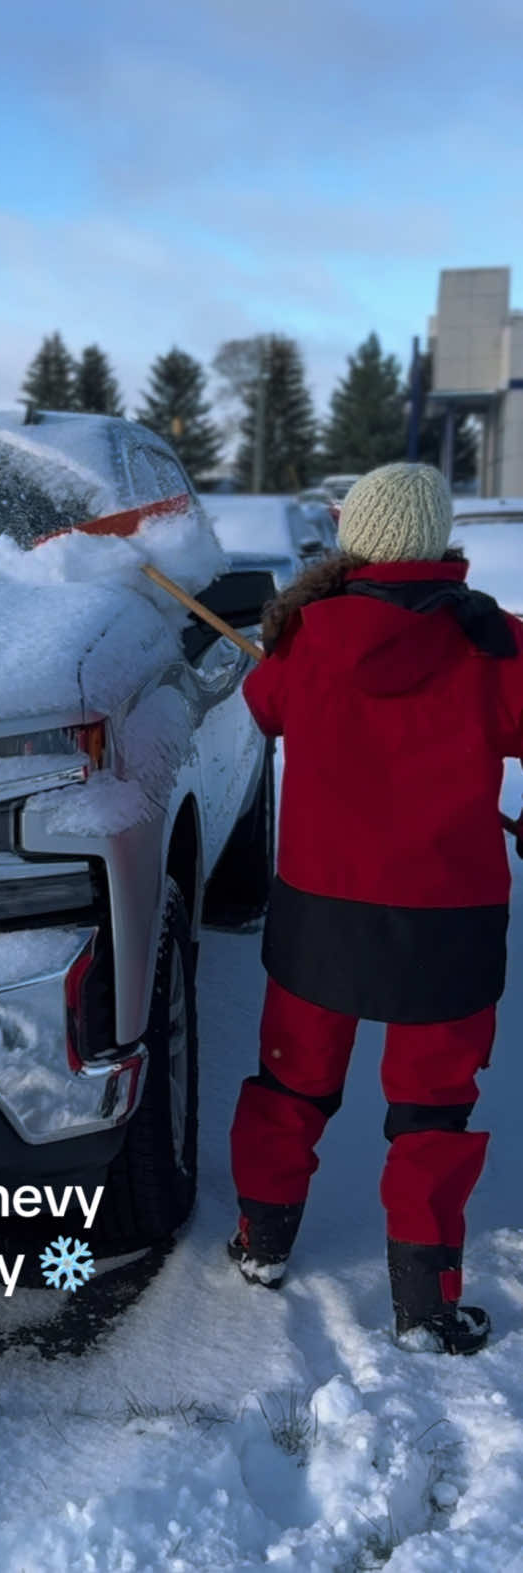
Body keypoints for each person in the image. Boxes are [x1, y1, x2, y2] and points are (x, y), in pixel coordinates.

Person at [227, 462, 523, 1354]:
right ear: (437, 540)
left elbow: (262, 706)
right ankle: (424, 1304)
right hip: (449, 920)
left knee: (291, 1083)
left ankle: (261, 1244)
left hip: (323, 914)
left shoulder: (305, 635)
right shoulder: (497, 643)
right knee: (434, 1110)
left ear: (353, 537)